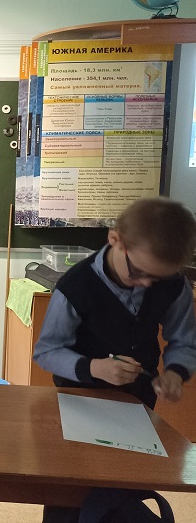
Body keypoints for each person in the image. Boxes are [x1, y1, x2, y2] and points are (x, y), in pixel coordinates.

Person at [33, 196, 196, 523]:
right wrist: (94, 368)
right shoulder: (76, 285)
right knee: (71, 489)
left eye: (156, 278)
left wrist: (175, 373)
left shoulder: (173, 284)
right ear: (115, 239)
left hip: (137, 403)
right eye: (139, 272)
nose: (146, 283)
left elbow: (184, 340)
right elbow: (47, 351)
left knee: (123, 486)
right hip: (78, 400)